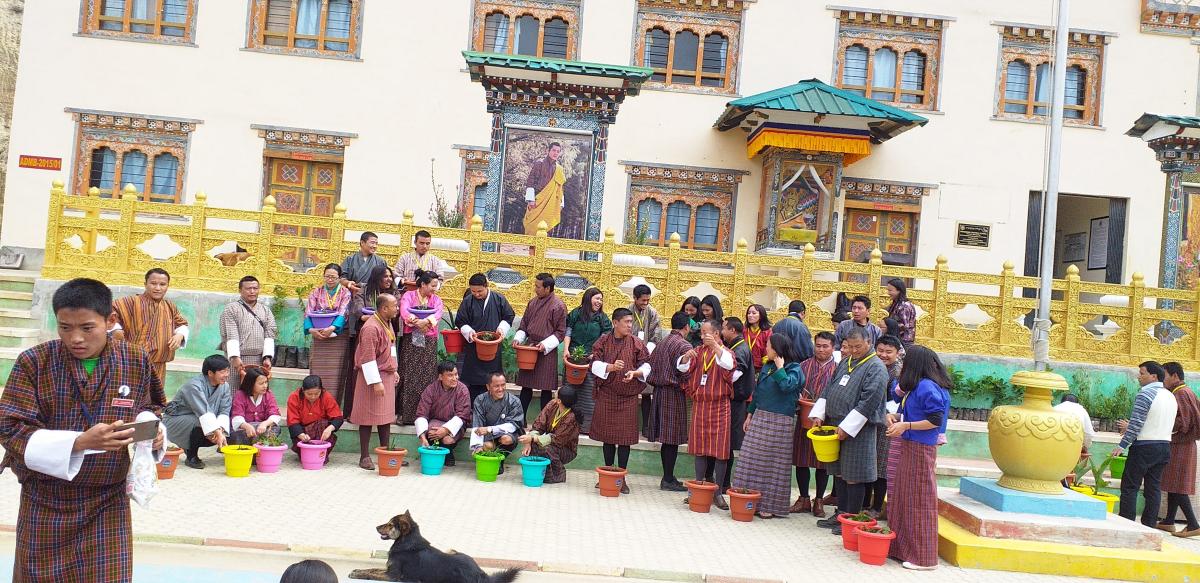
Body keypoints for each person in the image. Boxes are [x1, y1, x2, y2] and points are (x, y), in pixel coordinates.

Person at [0, 278, 166, 583]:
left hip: (107, 499)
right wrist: (78, 442)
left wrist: (152, 432)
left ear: (110, 321)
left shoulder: (134, 359)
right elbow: (9, 428)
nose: (75, 338)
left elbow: (151, 407)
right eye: (65, 327)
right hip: (45, 499)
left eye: (87, 328)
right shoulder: (33, 362)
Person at [811, 326, 888, 535]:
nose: (853, 351)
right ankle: (840, 514)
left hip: (858, 429)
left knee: (854, 474)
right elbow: (829, 388)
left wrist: (847, 427)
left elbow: (868, 402)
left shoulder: (876, 368)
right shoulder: (846, 362)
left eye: (857, 347)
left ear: (869, 343)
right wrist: (819, 413)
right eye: (849, 347)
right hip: (835, 424)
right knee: (839, 472)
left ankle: (851, 520)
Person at [885, 345, 952, 571]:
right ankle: (903, 549)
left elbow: (934, 419)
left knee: (919, 501)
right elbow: (916, 413)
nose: (902, 365)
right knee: (904, 498)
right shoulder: (916, 387)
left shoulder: (927, 387)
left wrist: (906, 424)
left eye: (905, 361)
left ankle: (924, 558)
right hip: (910, 445)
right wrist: (896, 417)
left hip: (921, 449)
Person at [734, 333, 804, 518]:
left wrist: (781, 369)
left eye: (769, 346)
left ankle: (771, 506)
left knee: (773, 465)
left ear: (778, 349)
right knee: (749, 459)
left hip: (780, 421)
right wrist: (749, 414)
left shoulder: (794, 368)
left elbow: (788, 387)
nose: (766, 348)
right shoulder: (767, 366)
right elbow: (758, 393)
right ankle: (747, 499)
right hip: (759, 417)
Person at [590, 307, 651, 491]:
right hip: (607, 395)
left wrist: (635, 372)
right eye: (627, 322)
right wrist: (610, 367)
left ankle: (621, 479)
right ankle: (607, 474)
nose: (630, 326)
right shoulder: (603, 341)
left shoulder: (636, 343)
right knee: (607, 438)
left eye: (631, 322)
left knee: (625, 440)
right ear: (615, 323)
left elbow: (647, 365)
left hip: (628, 397)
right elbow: (594, 364)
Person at [1114, 361, 1177, 528]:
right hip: (1164, 446)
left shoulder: (1145, 395)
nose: (1138, 376)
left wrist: (1122, 445)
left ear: (1153, 376)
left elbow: (1136, 424)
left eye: (1142, 373)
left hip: (1144, 446)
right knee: (1153, 488)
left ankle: (1126, 524)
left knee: (1130, 486)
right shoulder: (1170, 396)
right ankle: (1148, 525)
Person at [680, 319, 735, 509]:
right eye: (701, 333)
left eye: (705, 333)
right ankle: (698, 487)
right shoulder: (699, 351)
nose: (702, 336)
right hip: (701, 404)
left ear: (716, 334)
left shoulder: (727, 353)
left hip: (720, 405)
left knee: (720, 452)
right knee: (700, 449)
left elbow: (728, 366)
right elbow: (682, 367)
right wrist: (686, 358)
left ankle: (718, 492)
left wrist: (716, 348)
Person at [110, 267, 188, 384]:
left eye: (162, 284)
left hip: (158, 365)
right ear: (145, 284)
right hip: (131, 363)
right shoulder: (130, 302)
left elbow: (182, 324)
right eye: (153, 283)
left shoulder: (170, 306)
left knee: (154, 399)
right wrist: (116, 330)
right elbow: (108, 315)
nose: (158, 288)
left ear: (167, 286)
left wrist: (180, 335)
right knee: (128, 396)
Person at [791, 331, 838, 517]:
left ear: (833, 348)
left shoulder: (838, 369)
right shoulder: (803, 366)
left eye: (825, 346)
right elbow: (794, 387)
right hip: (804, 419)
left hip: (825, 422)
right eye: (818, 345)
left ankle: (819, 499)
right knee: (801, 460)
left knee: (822, 462)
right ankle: (803, 498)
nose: (821, 349)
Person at [351, 293, 400, 470]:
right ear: (384, 308)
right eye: (394, 305)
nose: (397, 308)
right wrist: (376, 382)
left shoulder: (386, 322)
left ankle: (385, 452)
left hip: (386, 374)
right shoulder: (371, 327)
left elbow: (392, 346)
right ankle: (364, 456)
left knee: (385, 416)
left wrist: (394, 369)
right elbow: (368, 358)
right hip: (371, 377)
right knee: (367, 416)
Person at [647, 311, 694, 492]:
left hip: (659, 392)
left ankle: (668, 476)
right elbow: (685, 372)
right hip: (673, 393)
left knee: (667, 439)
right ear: (687, 326)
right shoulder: (684, 345)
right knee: (672, 439)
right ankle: (667, 478)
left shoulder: (662, 342)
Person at [343, 265, 399, 418]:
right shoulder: (365, 289)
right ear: (376, 277)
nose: (388, 279)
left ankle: (384, 414)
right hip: (368, 331)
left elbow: (397, 309)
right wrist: (367, 317)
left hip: (387, 333)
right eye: (385, 276)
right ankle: (354, 411)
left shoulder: (393, 292)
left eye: (390, 276)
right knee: (364, 369)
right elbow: (357, 307)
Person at [163, 354, 234, 469]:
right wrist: (217, 432)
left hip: (202, 421)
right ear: (210, 373)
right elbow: (203, 412)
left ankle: (202, 440)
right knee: (202, 421)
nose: (226, 375)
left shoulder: (224, 387)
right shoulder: (194, 386)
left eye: (227, 371)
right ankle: (191, 455)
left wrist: (220, 430)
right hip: (175, 421)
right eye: (222, 372)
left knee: (218, 426)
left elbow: (224, 410)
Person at [454, 273, 515, 404]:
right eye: (473, 291)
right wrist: (469, 332)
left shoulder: (499, 299)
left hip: (493, 346)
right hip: (474, 346)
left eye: (479, 291)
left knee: (492, 380)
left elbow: (509, 316)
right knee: (473, 382)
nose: (476, 294)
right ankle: (472, 410)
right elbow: (460, 320)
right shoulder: (468, 301)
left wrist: (501, 329)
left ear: (486, 286)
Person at [514, 273, 567, 419]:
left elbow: (561, 332)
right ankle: (520, 420)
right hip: (529, 348)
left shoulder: (558, 305)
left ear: (547, 288)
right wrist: (519, 338)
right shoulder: (532, 302)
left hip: (546, 351)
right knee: (526, 387)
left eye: (538, 286)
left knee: (546, 389)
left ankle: (545, 423)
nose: (535, 289)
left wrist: (545, 345)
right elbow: (524, 323)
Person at [1158, 362, 1200, 537]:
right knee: (1173, 482)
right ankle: (1169, 521)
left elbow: (1185, 422)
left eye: (1164, 376)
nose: (1162, 380)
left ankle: (1193, 524)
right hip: (1183, 444)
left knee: (1178, 485)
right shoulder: (1184, 391)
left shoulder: (1180, 393)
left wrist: (1165, 425)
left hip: (1181, 445)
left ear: (1175, 376)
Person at [715, 316, 755, 495]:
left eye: (723, 328)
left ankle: (724, 483)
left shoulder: (741, 349)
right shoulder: (734, 346)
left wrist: (718, 384)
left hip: (735, 401)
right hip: (731, 400)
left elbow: (736, 374)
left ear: (732, 330)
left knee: (727, 442)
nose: (722, 332)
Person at [399, 269, 444, 424]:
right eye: (432, 285)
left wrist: (426, 322)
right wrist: (417, 321)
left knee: (427, 376)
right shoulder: (409, 296)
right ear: (423, 284)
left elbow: (438, 313)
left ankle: (424, 414)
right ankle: (405, 415)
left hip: (429, 339)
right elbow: (404, 310)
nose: (434, 289)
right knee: (409, 374)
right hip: (412, 338)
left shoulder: (436, 299)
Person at [562, 287, 611, 433]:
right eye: (597, 298)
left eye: (601, 299)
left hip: (591, 360)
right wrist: (566, 349)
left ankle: (586, 427)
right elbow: (568, 332)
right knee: (569, 391)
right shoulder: (576, 313)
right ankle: (566, 426)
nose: (599, 302)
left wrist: (595, 353)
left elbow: (605, 338)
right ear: (588, 298)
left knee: (588, 394)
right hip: (573, 359)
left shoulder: (603, 318)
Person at [866, 335, 903, 518]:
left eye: (889, 352)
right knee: (868, 463)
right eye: (880, 350)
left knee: (881, 466)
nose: (883, 355)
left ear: (897, 353)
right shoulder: (871, 366)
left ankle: (876, 507)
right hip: (869, 421)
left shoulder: (899, 373)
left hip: (888, 422)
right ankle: (865, 503)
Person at [305, 264, 352, 404]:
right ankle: (314, 404)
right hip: (318, 335)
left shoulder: (345, 293)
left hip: (337, 335)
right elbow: (308, 311)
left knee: (336, 374)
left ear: (339, 278)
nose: (330, 280)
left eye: (333, 277)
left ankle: (332, 406)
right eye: (327, 276)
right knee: (318, 371)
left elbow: (344, 311)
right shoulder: (316, 292)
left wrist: (333, 327)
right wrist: (311, 330)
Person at [520, 384, 584, 484]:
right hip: (551, 442)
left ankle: (557, 474)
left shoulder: (572, 418)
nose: (555, 392)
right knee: (535, 445)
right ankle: (538, 471)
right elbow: (538, 425)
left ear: (560, 400)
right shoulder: (552, 404)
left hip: (565, 448)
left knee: (547, 448)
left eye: (558, 392)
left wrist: (533, 439)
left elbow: (557, 439)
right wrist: (529, 440)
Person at [219, 275, 277, 380]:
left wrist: (267, 358)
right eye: (248, 288)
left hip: (259, 360)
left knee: (255, 393)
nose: (252, 291)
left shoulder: (266, 310)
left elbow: (270, 333)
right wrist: (234, 357)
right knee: (234, 391)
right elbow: (231, 334)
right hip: (236, 360)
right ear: (240, 290)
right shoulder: (231, 309)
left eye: (255, 288)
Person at [415, 362, 472, 466]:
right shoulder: (431, 389)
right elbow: (421, 413)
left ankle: (448, 456)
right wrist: (422, 438)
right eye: (450, 375)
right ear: (440, 376)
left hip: (457, 424)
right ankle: (435, 453)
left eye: (456, 374)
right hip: (435, 423)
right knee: (432, 431)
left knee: (447, 439)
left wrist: (445, 430)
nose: (455, 378)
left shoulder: (462, 390)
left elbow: (462, 416)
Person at [471, 372, 526, 470]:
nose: (500, 389)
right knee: (487, 446)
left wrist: (490, 429)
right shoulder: (480, 400)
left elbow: (513, 425)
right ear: (488, 387)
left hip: (508, 433)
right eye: (496, 386)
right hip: (489, 435)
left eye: (503, 385)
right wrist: (477, 446)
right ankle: (489, 460)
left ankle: (499, 460)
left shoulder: (514, 401)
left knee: (506, 439)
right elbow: (477, 424)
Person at [629, 284, 661, 437]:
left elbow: (656, 334)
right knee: (629, 390)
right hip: (629, 355)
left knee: (647, 392)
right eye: (643, 300)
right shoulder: (627, 312)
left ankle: (647, 427)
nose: (645, 303)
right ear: (635, 298)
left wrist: (647, 350)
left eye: (648, 300)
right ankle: (629, 425)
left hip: (647, 355)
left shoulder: (652, 313)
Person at [286, 375, 344, 457]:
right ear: (303, 390)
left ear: (321, 390)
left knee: (322, 423)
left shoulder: (326, 396)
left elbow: (338, 418)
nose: (313, 397)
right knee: (305, 454)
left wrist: (329, 429)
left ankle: (321, 454)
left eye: (317, 393)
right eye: (309, 394)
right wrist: (301, 435)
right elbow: (292, 421)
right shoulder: (294, 397)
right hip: (302, 431)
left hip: (321, 431)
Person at [229, 366, 282, 446]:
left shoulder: (268, 394)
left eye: (266, 382)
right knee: (237, 434)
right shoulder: (240, 395)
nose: (265, 386)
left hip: (261, 428)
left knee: (276, 429)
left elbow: (275, 414)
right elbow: (237, 417)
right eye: (261, 383)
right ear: (251, 384)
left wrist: (265, 424)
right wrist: (247, 426)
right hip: (244, 429)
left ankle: (262, 448)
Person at [524, 141, 566, 235]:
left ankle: (541, 249)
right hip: (537, 201)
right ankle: (531, 249)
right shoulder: (539, 164)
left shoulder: (559, 169)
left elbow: (560, 188)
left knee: (547, 228)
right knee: (532, 227)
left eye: (558, 151)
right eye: (554, 150)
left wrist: (561, 204)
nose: (555, 153)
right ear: (549, 151)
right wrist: (531, 199)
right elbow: (530, 181)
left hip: (551, 204)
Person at [886, 278, 916, 346]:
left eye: (890, 290)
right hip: (896, 339)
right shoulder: (896, 304)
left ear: (899, 290)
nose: (888, 293)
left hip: (904, 341)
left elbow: (905, 326)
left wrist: (888, 326)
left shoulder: (904, 306)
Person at [745, 304, 772, 373]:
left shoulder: (767, 332)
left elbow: (769, 350)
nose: (750, 315)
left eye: (754, 313)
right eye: (748, 313)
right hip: (744, 365)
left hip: (760, 368)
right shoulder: (744, 330)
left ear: (761, 315)